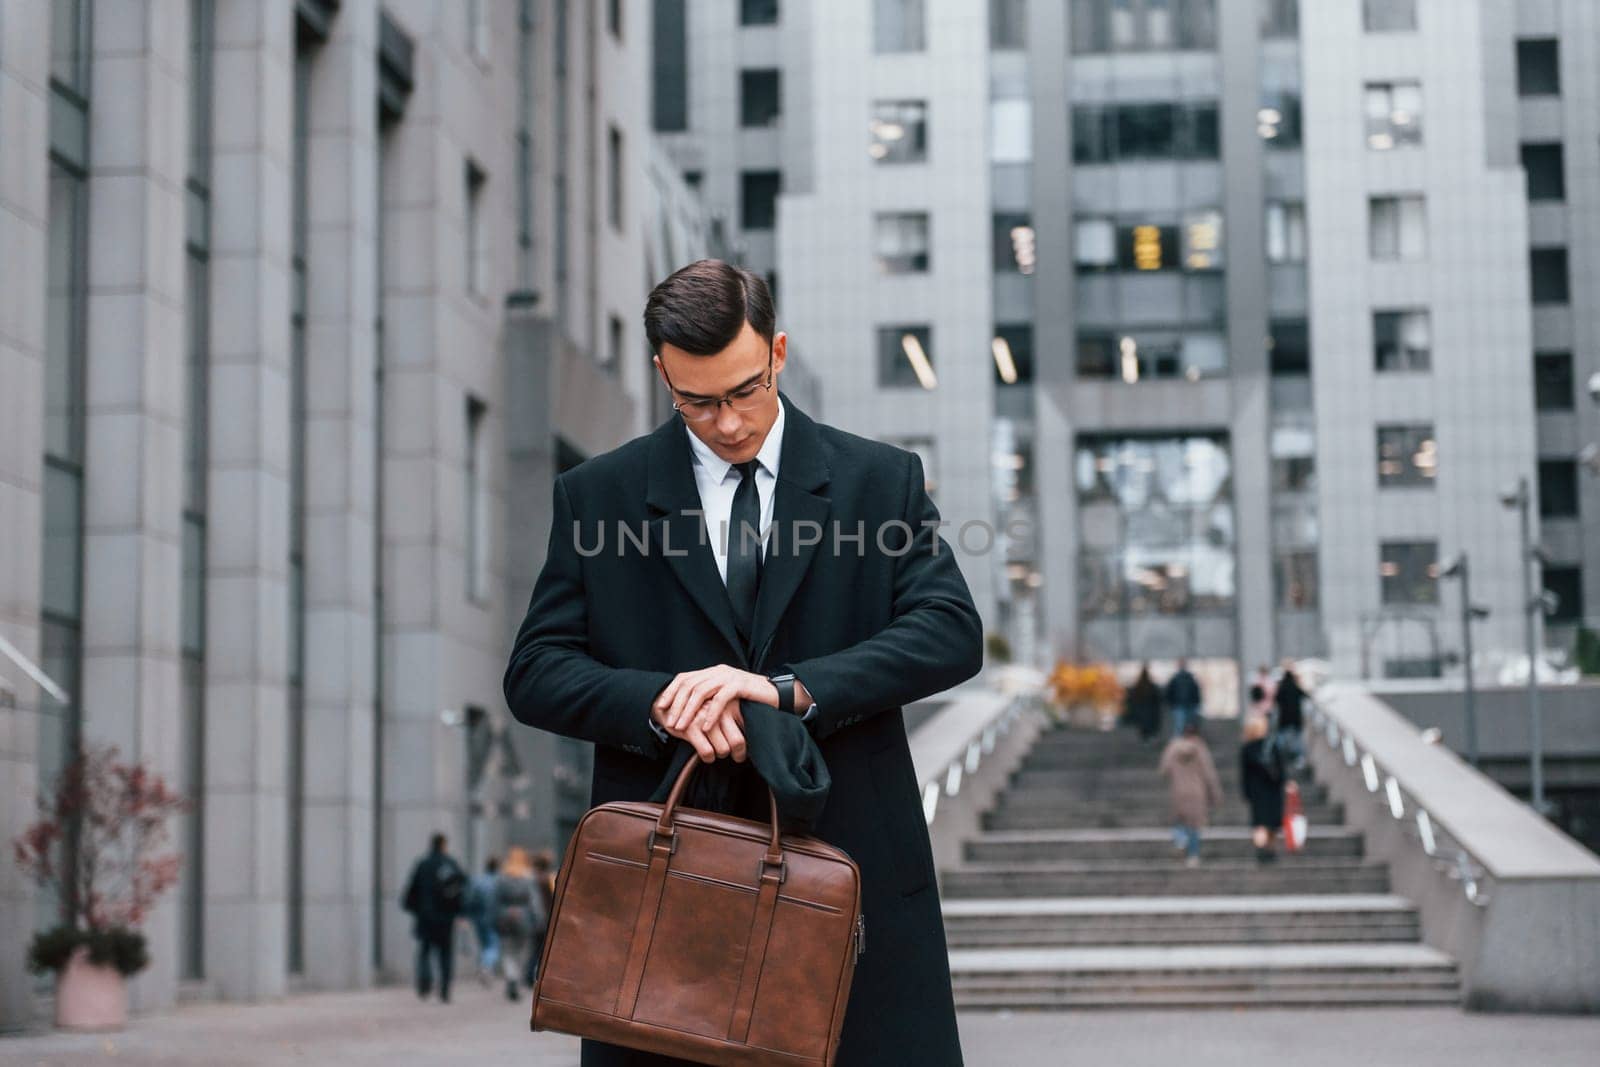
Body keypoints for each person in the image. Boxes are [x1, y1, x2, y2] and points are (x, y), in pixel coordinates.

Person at [504, 260, 982, 1066]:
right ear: (662, 373)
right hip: (667, 904)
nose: (727, 422)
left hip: (854, 881)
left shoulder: (879, 482)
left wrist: (785, 690)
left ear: (779, 353)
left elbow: (949, 630)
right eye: (698, 400)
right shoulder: (598, 497)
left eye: (744, 390)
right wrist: (665, 701)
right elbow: (536, 669)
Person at [401, 833, 467, 1002]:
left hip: (425, 916)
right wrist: (459, 911)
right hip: (446, 917)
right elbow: (462, 887)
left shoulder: (423, 864)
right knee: (445, 953)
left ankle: (425, 982)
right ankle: (444, 989)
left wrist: (413, 907)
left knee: (425, 950)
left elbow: (412, 889)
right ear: (444, 845)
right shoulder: (451, 864)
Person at [1159, 722, 1223, 868]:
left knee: (1180, 820)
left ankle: (1180, 841)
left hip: (1178, 791)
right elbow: (1209, 773)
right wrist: (1215, 793)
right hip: (1196, 792)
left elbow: (1163, 769)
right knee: (1194, 825)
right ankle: (1193, 856)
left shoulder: (1173, 747)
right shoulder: (1200, 748)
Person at [493, 846, 543, 1002]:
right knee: (521, 951)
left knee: (508, 951)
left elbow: (495, 900)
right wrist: (538, 918)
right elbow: (534, 901)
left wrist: (497, 916)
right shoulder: (528, 877)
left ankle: (510, 976)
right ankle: (515, 979)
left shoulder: (502, 877)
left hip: (505, 915)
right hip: (524, 917)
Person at [1240, 714, 1286, 864]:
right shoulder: (1272, 746)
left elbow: (1245, 774)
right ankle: (1270, 850)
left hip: (1257, 792)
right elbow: (1281, 770)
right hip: (1272, 790)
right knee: (1272, 823)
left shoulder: (1247, 749)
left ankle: (1261, 850)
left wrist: (1246, 792)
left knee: (1260, 823)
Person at [522, 850, 557, 989]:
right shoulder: (546, 879)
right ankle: (530, 975)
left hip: (535, 919)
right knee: (539, 950)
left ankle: (529, 974)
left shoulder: (531, 878)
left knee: (535, 949)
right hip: (543, 919)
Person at [465, 856, 500, 984]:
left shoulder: (477, 881)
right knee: (493, 945)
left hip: (479, 917)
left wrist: (468, 914)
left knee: (484, 944)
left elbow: (469, 899)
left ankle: (484, 967)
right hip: (494, 918)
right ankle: (486, 966)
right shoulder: (499, 881)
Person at [1275, 662, 1307, 771]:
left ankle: (1279, 758)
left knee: (1281, 739)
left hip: (1284, 718)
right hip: (1296, 719)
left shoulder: (1282, 687)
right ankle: (1298, 759)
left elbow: (1276, 700)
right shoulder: (1295, 687)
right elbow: (1306, 695)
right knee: (1297, 740)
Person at [1124, 663, 1163, 742]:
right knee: (1150, 725)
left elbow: (1132, 698)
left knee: (1143, 726)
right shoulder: (1151, 686)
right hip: (1150, 710)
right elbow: (1157, 698)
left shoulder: (1138, 685)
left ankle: (1145, 738)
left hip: (1141, 710)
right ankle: (1149, 737)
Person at [1164, 658, 1203, 738]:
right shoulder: (1175, 679)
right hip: (1179, 705)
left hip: (1189, 705)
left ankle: (1187, 744)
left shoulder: (1190, 678)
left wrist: (1196, 703)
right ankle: (1178, 744)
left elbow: (1196, 691)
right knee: (1180, 726)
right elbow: (1169, 692)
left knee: (1189, 726)